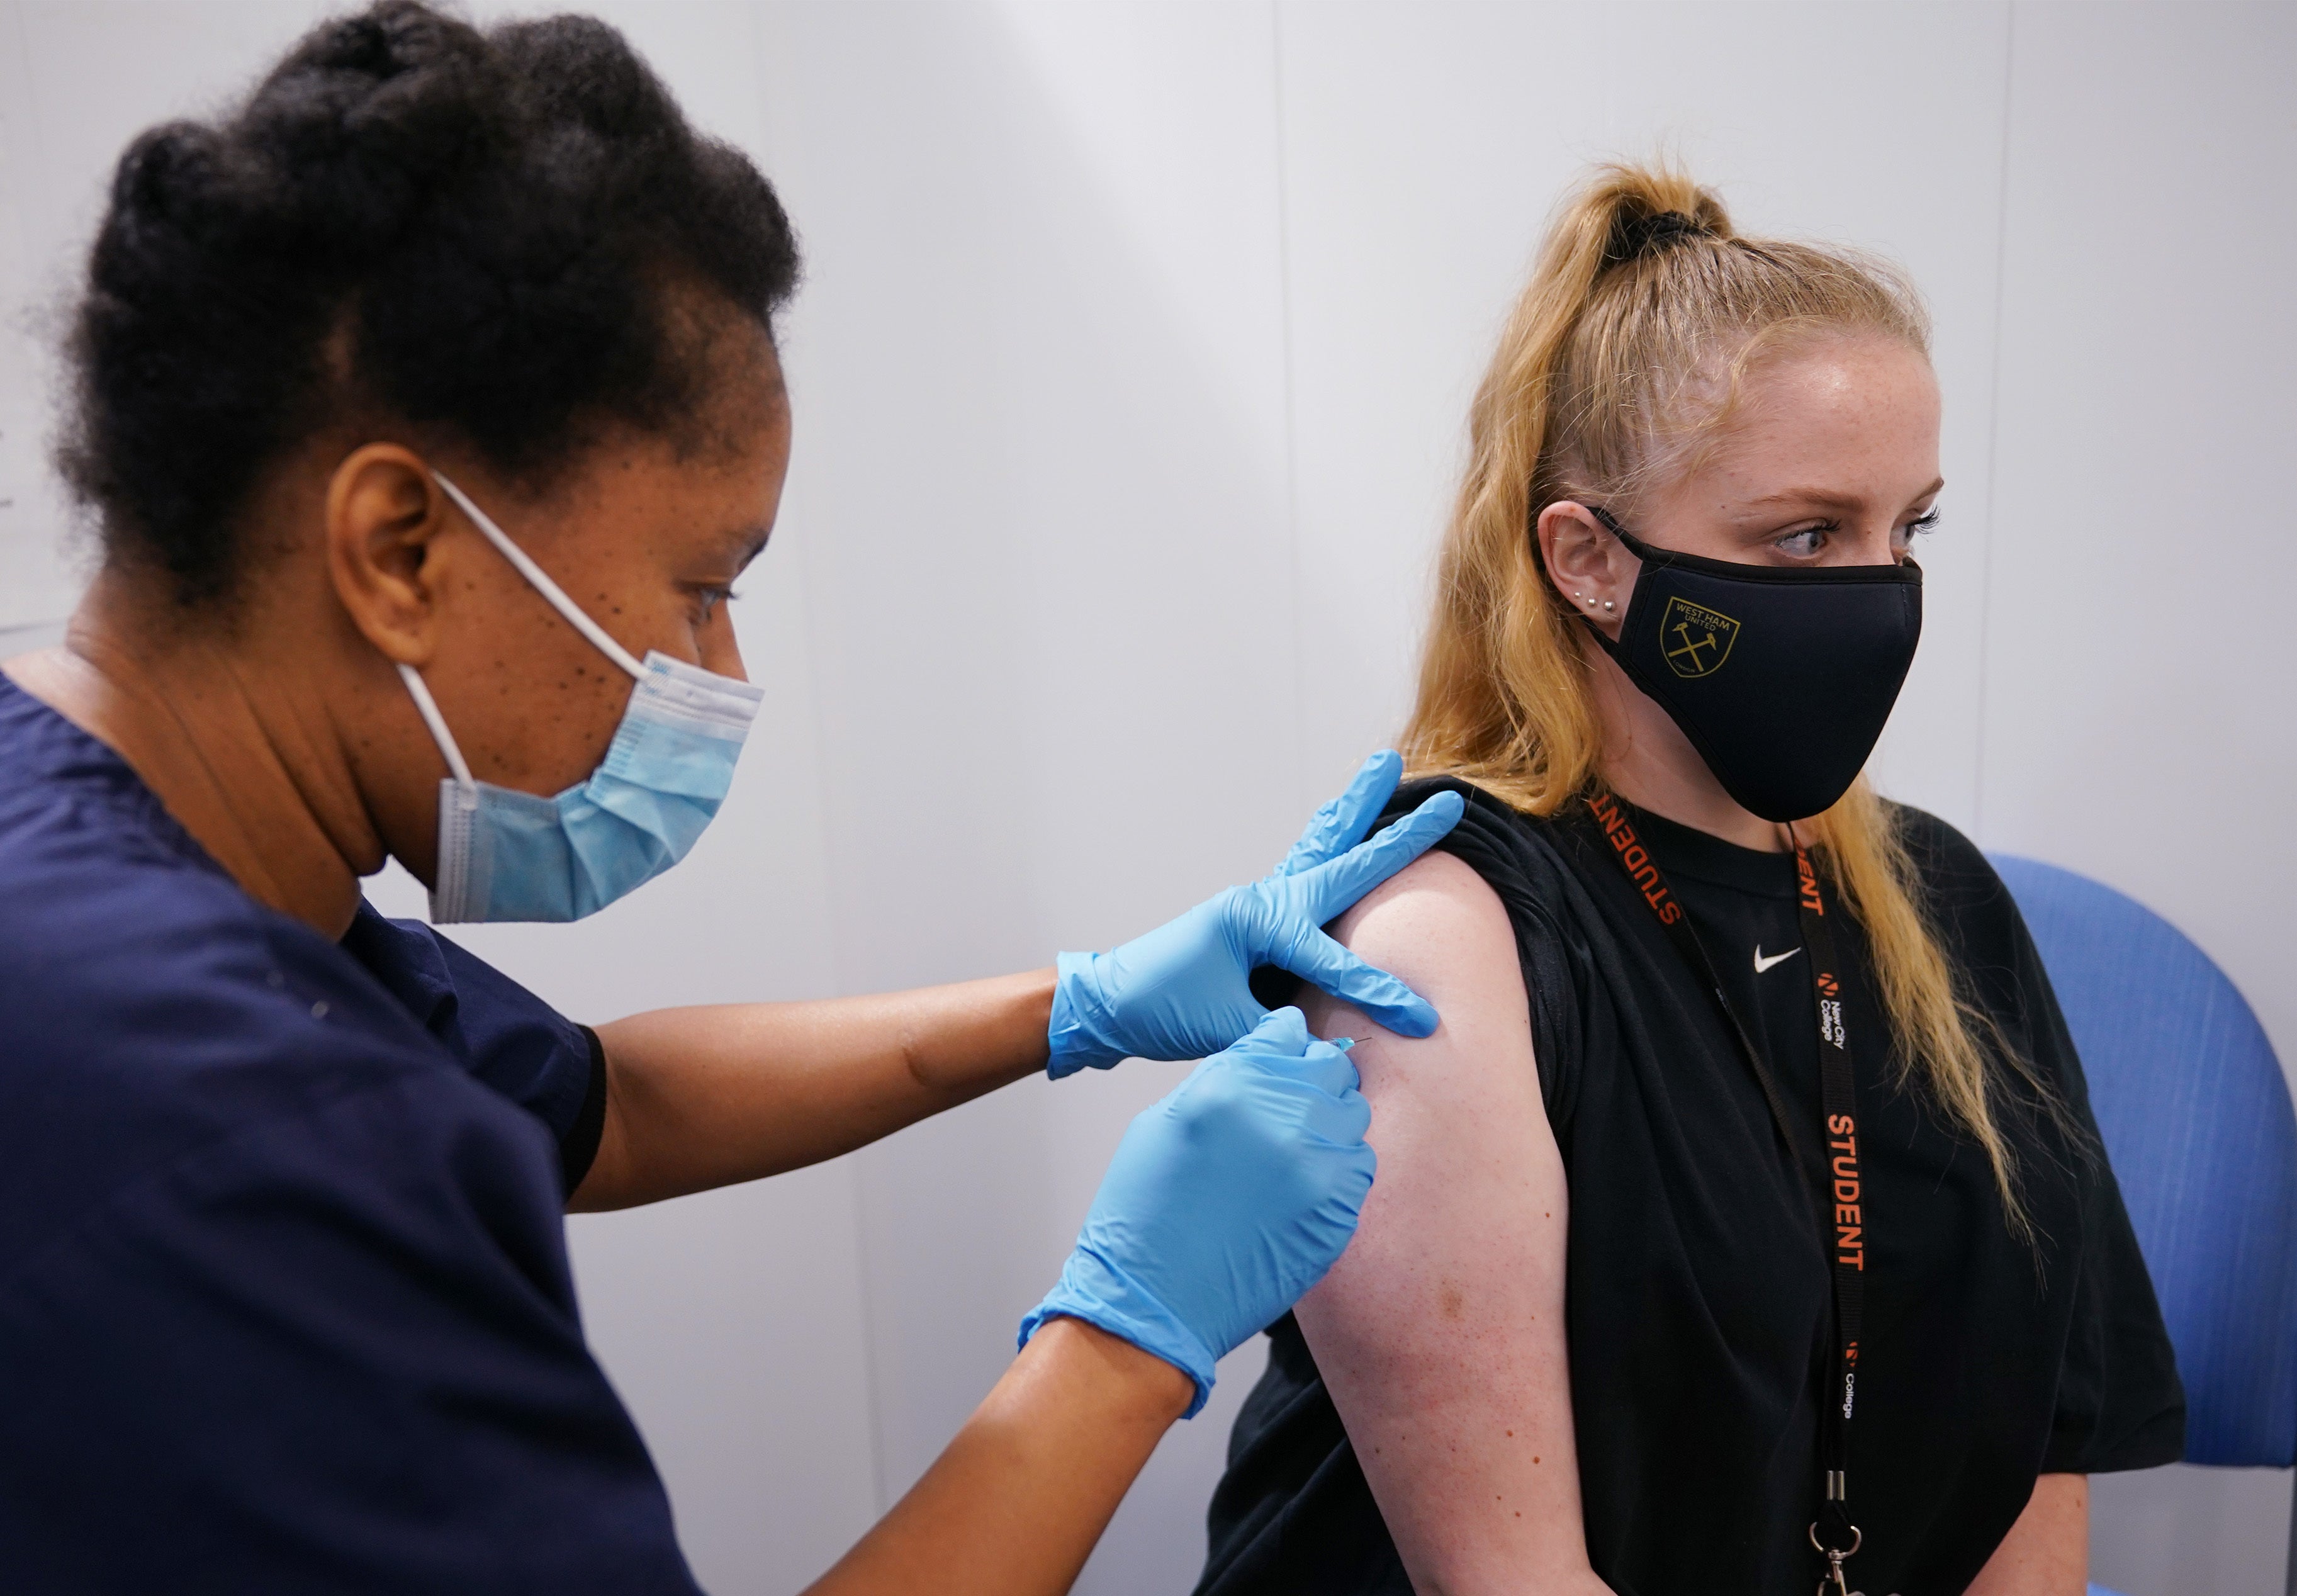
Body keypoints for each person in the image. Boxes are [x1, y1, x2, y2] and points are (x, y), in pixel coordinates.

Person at [0, 6, 1467, 1593]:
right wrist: (1126, 1336)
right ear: (399, 550)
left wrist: (1083, 1000)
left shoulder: (147, 864)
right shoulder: (243, 1135)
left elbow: (601, 1103)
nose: (721, 669)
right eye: (702, 586)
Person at [1198, 164, 2184, 1596]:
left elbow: (2042, 1448)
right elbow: (1509, 1581)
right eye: (1803, 534)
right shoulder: (1441, 934)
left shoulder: (1944, 904)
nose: (1877, 590)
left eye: (1908, 528)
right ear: (1589, 561)